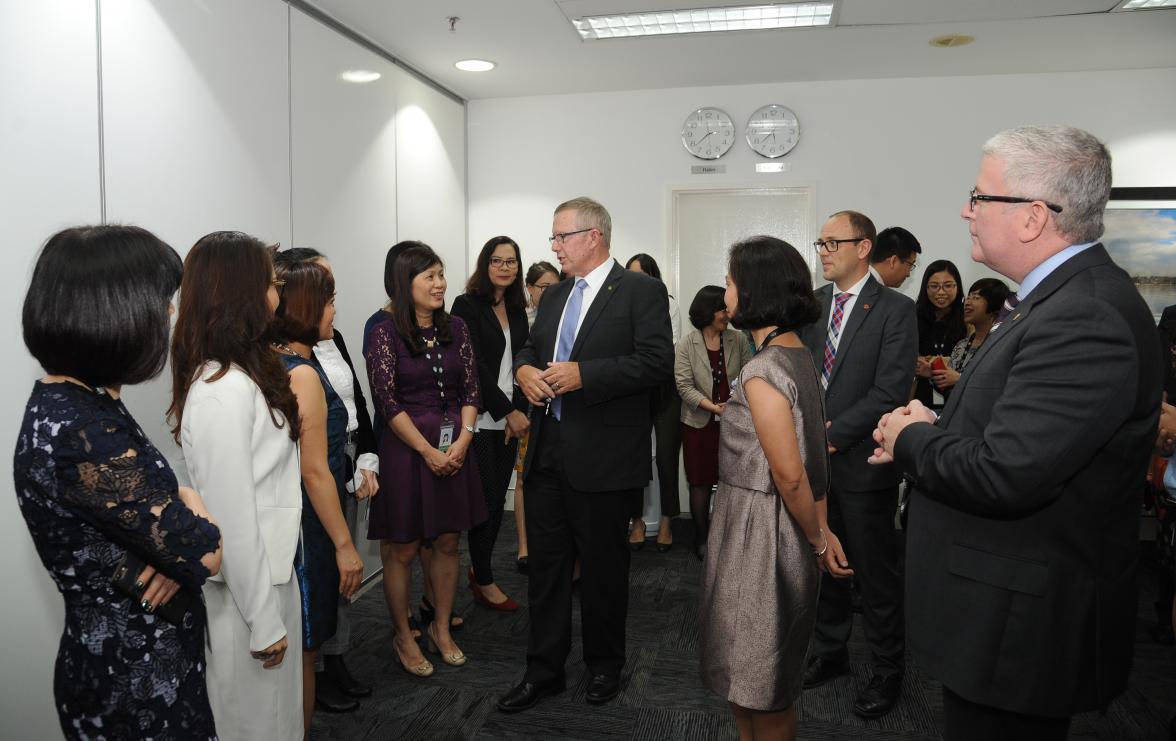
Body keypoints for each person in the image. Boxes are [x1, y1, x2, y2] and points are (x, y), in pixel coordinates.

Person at [870, 125, 1163, 740]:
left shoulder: (1084, 314)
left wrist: (909, 440)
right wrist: (936, 421)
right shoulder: (1051, 300)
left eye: (978, 196)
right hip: (1002, 602)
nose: (964, 210)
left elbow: (1006, 474)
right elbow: (1013, 429)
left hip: (1019, 620)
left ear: (1032, 217)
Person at [16, 225, 223, 740]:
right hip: (132, 683)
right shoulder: (83, 429)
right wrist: (189, 501)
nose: (170, 313)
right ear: (114, 310)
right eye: (162, 300)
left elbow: (156, 531)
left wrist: (171, 534)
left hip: (140, 662)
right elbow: (204, 550)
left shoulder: (83, 401)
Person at [499, 196, 673, 712]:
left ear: (593, 236)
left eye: (562, 237)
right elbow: (531, 350)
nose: (554, 246)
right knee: (547, 572)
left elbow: (656, 363)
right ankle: (544, 670)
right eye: (553, 237)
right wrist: (524, 370)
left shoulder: (641, 291)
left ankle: (604, 666)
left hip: (604, 459)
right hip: (547, 453)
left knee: (602, 572)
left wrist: (585, 375)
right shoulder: (553, 296)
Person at [700, 235, 851, 741]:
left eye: (730, 280)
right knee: (756, 678)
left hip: (760, 535)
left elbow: (790, 475)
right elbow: (814, 461)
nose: (725, 291)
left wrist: (816, 540)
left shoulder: (763, 371)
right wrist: (822, 529)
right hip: (776, 526)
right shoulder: (799, 356)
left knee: (763, 684)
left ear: (753, 289)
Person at [171, 230, 305, 740]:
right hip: (249, 596)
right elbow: (231, 519)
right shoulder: (222, 389)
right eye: (271, 282)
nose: (278, 293)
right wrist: (265, 622)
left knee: (277, 722)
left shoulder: (240, 374)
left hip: (268, 578)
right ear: (243, 291)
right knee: (256, 726)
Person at [797, 210, 917, 719]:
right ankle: (830, 652)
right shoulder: (812, 306)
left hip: (864, 463)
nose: (823, 251)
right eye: (821, 243)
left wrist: (833, 434)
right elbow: (802, 377)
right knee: (825, 564)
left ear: (863, 248)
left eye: (833, 242)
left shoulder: (895, 309)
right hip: (816, 467)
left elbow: (890, 390)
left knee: (875, 574)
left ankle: (888, 670)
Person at [365, 242, 486, 677]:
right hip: (406, 449)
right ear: (404, 282)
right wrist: (426, 450)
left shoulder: (456, 326)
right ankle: (403, 633)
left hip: (455, 447)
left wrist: (464, 441)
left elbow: (471, 388)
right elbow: (386, 399)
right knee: (403, 547)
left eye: (441, 274)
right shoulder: (382, 331)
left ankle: (440, 627)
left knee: (449, 542)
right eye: (429, 277)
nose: (440, 284)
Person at [273, 249, 378, 712]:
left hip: (317, 496)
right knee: (307, 625)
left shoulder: (277, 360)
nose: (335, 307)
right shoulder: (299, 373)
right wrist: (344, 544)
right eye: (328, 296)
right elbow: (312, 468)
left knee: (308, 622)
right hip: (309, 513)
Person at [452, 236, 531, 611]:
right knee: (483, 501)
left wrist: (519, 412)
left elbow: (521, 363)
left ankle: (480, 572)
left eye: (511, 261)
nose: (504, 267)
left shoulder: (517, 309)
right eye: (497, 260)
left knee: (497, 499)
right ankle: (483, 578)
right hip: (480, 417)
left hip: (510, 418)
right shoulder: (465, 306)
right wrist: (507, 411)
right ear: (485, 265)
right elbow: (474, 365)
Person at [675, 285, 752, 559]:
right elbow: (684, 386)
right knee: (700, 482)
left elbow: (748, 376)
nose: (726, 314)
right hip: (698, 423)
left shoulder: (739, 340)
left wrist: (730, 408)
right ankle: (701, 536)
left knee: (731, 481)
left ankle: (727, 537)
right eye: (722, 309)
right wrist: (714, 409)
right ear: (708, 311)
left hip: (733, 422)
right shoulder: (686, 344)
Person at [626, 253, 682, 551]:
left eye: (644, 275)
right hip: (632, 388)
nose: (639, 282)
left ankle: (667, 520)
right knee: (634, 456)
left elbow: (666, 351)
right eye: (633, 275)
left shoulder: (668, 303)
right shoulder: (620, 305)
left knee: (666, 455)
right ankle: (635, 521)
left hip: (664, 387)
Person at [515, 260, 560, 573]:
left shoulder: (563, 315)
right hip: (524, 405)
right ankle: (523, 545)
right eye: (544, 287)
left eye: (555, 287)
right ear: (530, 289)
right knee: (522, 476)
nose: (550, 292)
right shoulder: (521, 320)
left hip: (556, 404)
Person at [929, 278, 1010, 394]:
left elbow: (1001, 385)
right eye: (968, 297)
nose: (967, 302)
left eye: (976, 298)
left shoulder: (1002, 345)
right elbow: (947, 390)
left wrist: (960, 379)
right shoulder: (961, 345)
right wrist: (934, 374)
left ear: (994, 305)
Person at [913, 260, 967, 409]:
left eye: (948, 285)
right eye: (934, 286)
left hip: (958, 397)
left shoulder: (969, 318)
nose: (941, 292)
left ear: (958, 286)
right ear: (925, 288)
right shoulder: (912, 316)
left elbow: (975, 359)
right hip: (918, 396)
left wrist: (932, 366)